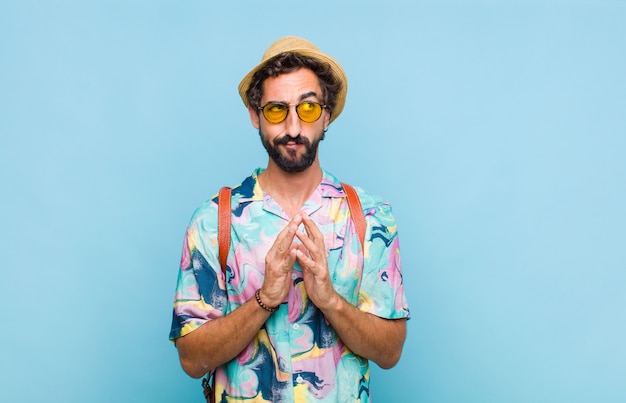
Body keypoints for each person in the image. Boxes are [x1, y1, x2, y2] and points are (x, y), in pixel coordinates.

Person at [169, 36, 410, 402]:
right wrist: (264, 298)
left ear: (327, 114)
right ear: (256, 116)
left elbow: (390, 352)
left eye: (308, 109)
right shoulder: (214, 221)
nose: (294, 128)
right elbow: (191, 359)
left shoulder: (370, 217)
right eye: (277, 110)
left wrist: (329, 299)